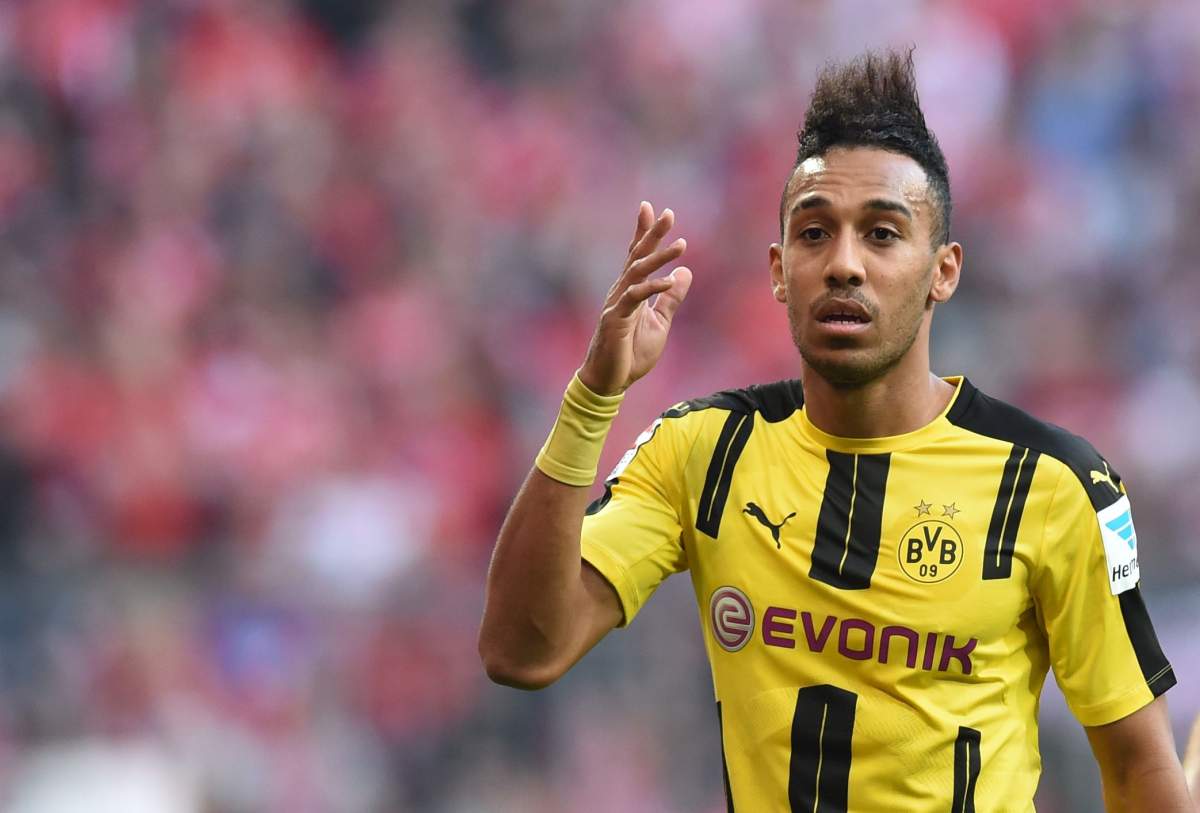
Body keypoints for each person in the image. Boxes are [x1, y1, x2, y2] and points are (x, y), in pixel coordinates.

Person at [478, 49, 1193, 811]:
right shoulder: (704, 452)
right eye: (815, 233)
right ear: (779, 270)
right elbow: (522, 648)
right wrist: (593, 396)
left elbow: (1139, 771)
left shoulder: (1057, 484)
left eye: (882, 234)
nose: (844, 264)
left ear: (944, 270)